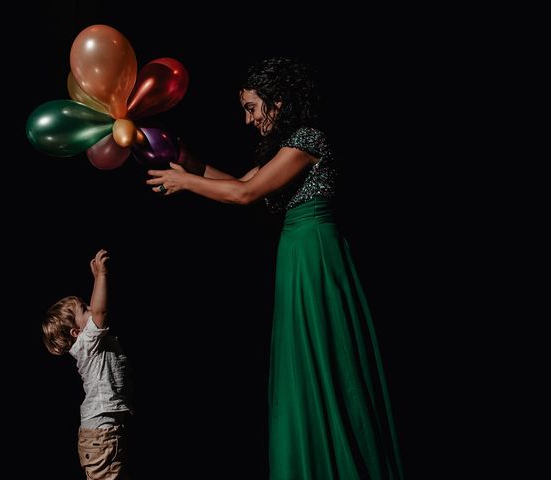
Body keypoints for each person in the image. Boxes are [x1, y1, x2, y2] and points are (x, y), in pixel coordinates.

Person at [147, 57, 404, 479]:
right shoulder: (285, 150)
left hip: (316, 255)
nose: (247, 120)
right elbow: (236, 182)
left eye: (252, 108)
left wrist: (186, 183)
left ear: (279, 103)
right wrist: (184, 159)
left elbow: (245, 194)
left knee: (328, 360)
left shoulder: (307, 140)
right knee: (303, 370)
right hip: (296, 257)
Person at [42, 249, 131, 480]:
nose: (91, 309)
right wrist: (101, 275)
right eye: (85, 309)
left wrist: (95, 281)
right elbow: (100, 310)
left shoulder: (87, 342)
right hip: (102, 434)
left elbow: (97, 309)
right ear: (76, 332)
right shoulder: (86, 343)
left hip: (102, 433)